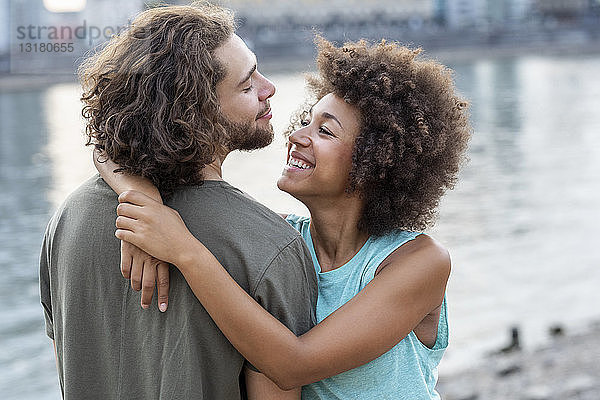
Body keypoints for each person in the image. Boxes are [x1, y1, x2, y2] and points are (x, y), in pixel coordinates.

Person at [98, 37, 471, 399]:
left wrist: (184, 252)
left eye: (324, 130)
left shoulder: (419, 262)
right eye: (307, 121)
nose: (296, 135)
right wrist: (140, 197)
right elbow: (105, 150)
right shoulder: (280, 240)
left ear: (377, 163)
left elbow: (294, 365)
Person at [39, 3, 317, 399]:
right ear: (195, 114)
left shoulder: (68, 218)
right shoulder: (272, 246)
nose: (268, 87)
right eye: (247, 84)